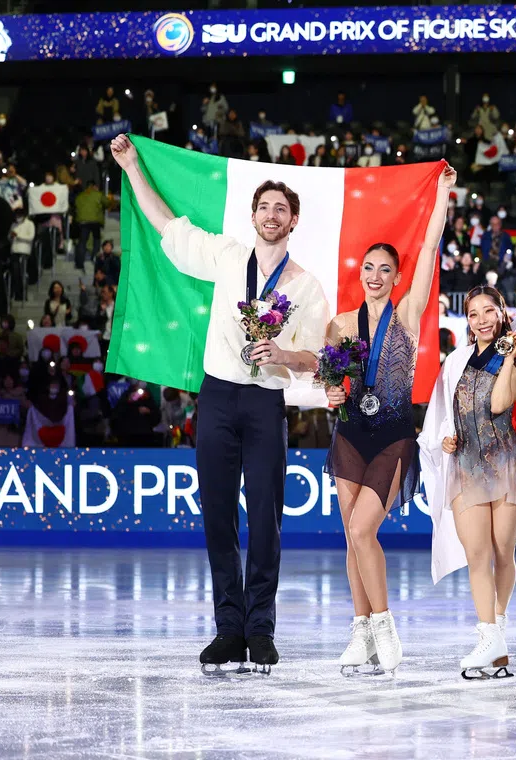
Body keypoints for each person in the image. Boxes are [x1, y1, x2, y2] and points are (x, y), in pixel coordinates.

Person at [110, 133, 331, 675]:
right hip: (218, 396)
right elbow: (168, 227)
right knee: (216, 516)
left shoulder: (306, 285)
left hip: (265, 403)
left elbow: (321, 359)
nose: (271, 215)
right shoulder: (229, 256)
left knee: (266, 518)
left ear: (293, 220)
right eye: (264, 207)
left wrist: (283, 352)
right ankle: (228, 628)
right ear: (254, 216)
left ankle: (261, 630)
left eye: (281, 208)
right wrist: (133, 166)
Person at [321, 162, 455, 676]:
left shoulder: (406, 314)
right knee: (352, 536)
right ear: (361, 275)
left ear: (396, 279)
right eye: (369, 269)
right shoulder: (339, 324)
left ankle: (383, 624)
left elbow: (428, 248)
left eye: (385, 271)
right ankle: (362, 632)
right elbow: (328, 378)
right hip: (350, 435)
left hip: (395, 437)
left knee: (361, 531)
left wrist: (441, 195)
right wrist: (331, 389)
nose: (376, 277)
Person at [418, 286, 516, 678]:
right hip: (466, 464)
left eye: (489, 311)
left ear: (502, 313)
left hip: (506, 462)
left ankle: (497, 630)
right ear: (467, 321)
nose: (482, 319)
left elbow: (501, 403)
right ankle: (488, 637)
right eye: (474, 314)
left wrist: (508, 356)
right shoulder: (455, 361)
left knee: (503, 551)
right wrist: (445, 438)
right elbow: (442, 413)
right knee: (477, 555)